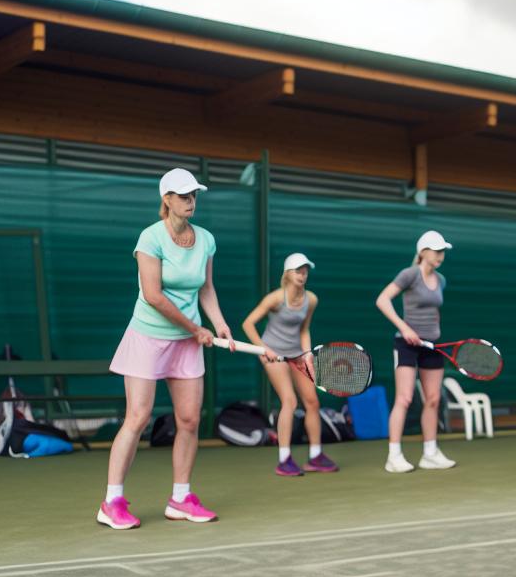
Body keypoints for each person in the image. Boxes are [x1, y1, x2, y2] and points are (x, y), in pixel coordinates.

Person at [98, 168, 232, 529]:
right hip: (148, 336)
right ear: (167, 200)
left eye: (194, 195)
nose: (191, 201)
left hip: (188, 343)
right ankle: (111, 501)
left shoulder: (205, 239)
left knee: (189, 419)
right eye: (184, 195)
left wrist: (218, 324)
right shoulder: (150, 238)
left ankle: (181, 498)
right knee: (138, 417)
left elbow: (205, 288)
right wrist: (196, 328)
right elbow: (154, 296)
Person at [242, 253, 337, 477]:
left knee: (312, 401)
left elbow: (303, 329)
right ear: (288, 274)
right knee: (290, 401)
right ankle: (284, 459)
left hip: (297, 354)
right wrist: (263, 349)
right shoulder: (275, 298)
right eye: (298, 270)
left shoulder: (311, 299)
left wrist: (307, 353)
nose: (302, 275)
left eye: (305, 271)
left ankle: (315, 456)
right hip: (272, 353)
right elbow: (248, 324)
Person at [377, 231, 456, 473]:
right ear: (423, 252)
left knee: (433, 399)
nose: (441, 255)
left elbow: (435, 312)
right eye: (437, 250)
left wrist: (435, 332)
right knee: (404, 398)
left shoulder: (441, 280)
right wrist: (404, 328)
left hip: (432, 346)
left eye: (443, 251)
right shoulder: (409, 274)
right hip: (407, 344)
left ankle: (430, 454)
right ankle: (394, 455)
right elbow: (382, 300)